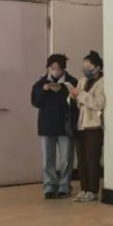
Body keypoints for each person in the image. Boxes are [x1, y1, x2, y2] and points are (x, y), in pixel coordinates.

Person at [30, 54, 78, 199]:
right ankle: (49, 186)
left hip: (65, 126)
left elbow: (75, 104)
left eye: (58, 68)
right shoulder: (40, 83)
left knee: (66, 159)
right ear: (48, 68)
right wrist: (44, 90)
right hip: (47, 126)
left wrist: (66, 93)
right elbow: (35, 102)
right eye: (52, 68)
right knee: (47, 160)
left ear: (63, 69)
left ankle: (64, 186)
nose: (55, 71)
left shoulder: (72, 82)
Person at [68, 51, 105, 203]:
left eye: (89, 67)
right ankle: (83, 189)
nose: (86, 70)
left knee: (92, 160)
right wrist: (73, 96)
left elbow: (98, 103)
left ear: (97, 67)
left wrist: (81, 95)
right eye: (84, 67)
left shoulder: (103, 82)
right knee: (81, 161)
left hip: (94, 126)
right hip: (81, 125)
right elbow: (80, 103)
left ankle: (93, 190)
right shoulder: (82, 81)